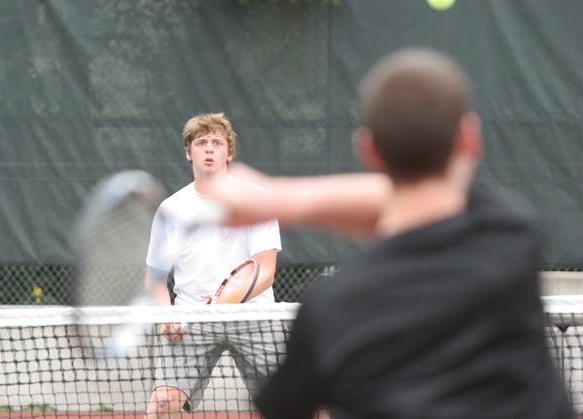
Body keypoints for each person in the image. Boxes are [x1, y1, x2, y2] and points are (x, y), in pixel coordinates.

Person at [210, 49, 574, 418]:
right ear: (470, 138)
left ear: (368, 152)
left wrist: (282, 200)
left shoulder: (329, 309)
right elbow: (430, 205)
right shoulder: (512, 235)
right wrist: (286, 200)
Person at [143, 113, 282, 418]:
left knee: (294, 404)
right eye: (201, 142)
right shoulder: (171, 210)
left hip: (255, 316)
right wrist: (167, 317)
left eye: (217, 142)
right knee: (163, 403)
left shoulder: (255, 200)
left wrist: (223, 301)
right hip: (191, 317)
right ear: (188, 152)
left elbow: (265, 271)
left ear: (228, 153)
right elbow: (155, 279)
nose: (209, 148)